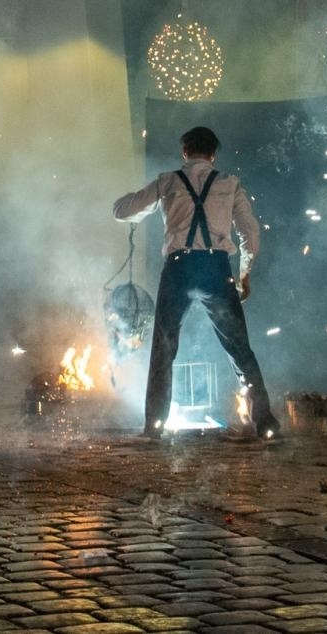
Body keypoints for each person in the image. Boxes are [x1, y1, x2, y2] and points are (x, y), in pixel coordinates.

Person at [112, 126, 282, 440]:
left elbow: (123, 211)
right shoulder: (230, 183)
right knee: (239, 348)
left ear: (185, 152)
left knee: (164, 349)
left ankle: (153, 426)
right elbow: (250, 232)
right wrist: (244, 274)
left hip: (179, 268)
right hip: (217, 269)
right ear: (214, 154)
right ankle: (265, 421)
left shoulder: (168, 181)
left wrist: (130, 203)